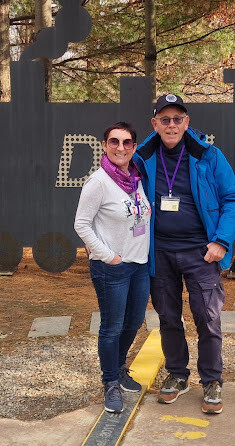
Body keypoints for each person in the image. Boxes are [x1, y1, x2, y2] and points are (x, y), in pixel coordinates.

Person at [133, 94, 235, 414]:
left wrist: (221, 241)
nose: (171, 125)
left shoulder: (208, 155)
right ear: (155, 124)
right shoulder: (142, 158)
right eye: (165, 119)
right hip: (160, 251)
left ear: (187, 122)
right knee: (168, 317)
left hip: (200, 252)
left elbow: (233, 198)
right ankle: (178, 375)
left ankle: (211, 379)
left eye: (177, 119)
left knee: (207, 317)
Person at [74, 121, 151, 414]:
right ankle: (110, 382)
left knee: (134, 322)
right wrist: (108, 256)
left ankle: (119, 368)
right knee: (112, 326)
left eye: (127, 142)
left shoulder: (136, 177)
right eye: (114, 142)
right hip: (112, 268)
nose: (121, 147)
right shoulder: (98, 182)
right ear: (104, 146)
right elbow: (81, 224)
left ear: (134, 147)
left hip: (139, 264)